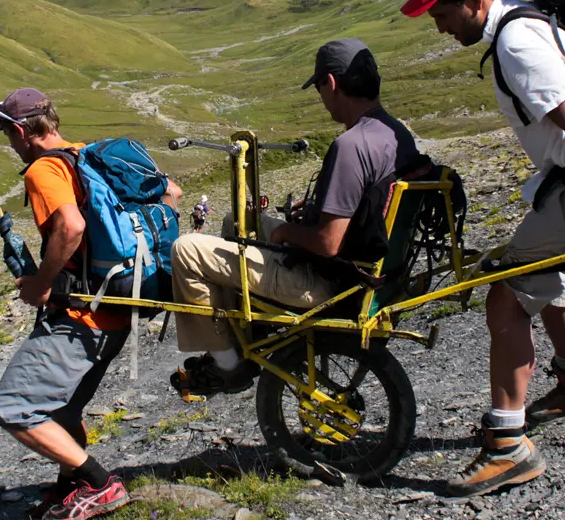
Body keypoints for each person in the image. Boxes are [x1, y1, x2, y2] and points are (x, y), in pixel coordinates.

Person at [401, 0, 565, 497]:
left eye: (440, 15)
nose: (439, 28)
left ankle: (507, 446)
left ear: (469, 0)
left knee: (507, 297)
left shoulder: (517, 43)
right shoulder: (529, 24)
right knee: (547, 277)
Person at [169, 38, 423, 396]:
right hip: (368, 269)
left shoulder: (351, 146)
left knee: (185, 250)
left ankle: (228, 366)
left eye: (320, 87)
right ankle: (246, 334)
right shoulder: (394, 132)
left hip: (328, 284)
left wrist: (288, 231)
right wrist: (318, 213)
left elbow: (327, 243)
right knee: (235, 222)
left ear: (331, 84)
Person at [0, 87, 181, 520]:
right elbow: (172, 191)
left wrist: (39, 283)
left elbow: (71, 227)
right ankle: (69, 485)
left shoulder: (43, 171)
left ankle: (98, 484)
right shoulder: (87, 156)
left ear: (21, 131)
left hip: (81, 315)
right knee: (62, 410)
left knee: (13, 406)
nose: (10, 144)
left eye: (8, 135)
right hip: (117, 308)